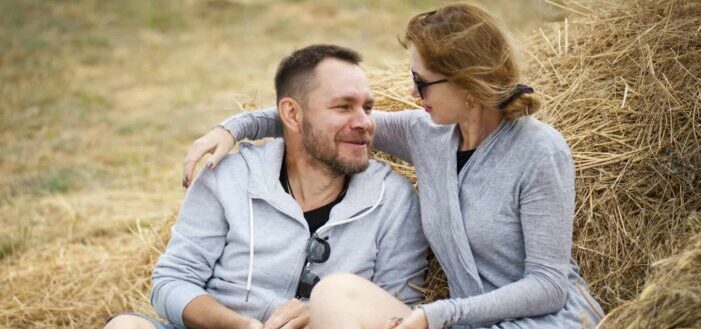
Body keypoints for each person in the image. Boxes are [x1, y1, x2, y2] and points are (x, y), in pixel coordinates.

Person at [182, 4, 606, 329]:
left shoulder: (539, 149)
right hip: (462, 323)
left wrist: (439, 314)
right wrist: (233, 129)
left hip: (548, 322)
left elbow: (549, 286)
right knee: (335, 294)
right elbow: (318, 122)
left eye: (422, 81)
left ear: (467, 82)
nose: (413, 91)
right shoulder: (428, 134)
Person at [104, 44, 428, 329]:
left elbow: (401, 309)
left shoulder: (394, 199)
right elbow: (171, 283)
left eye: (368, 108)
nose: (365, 122)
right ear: (291, 114)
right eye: (343, 107)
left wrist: (326, 312)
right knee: (125, 326)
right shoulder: (228, 176)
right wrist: (239, 325)